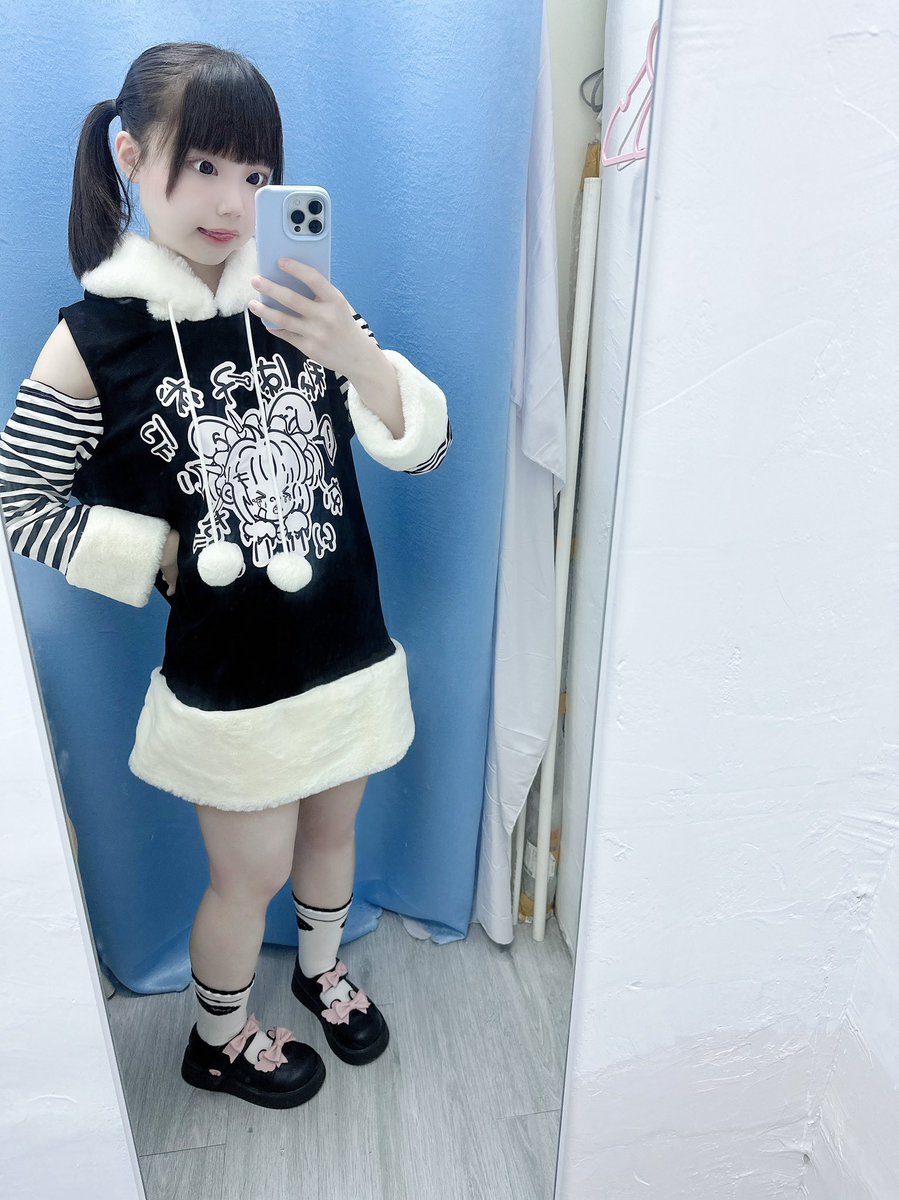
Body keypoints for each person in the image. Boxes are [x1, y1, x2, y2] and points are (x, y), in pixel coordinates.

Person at [0, 41, 452, 1111]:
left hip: (346, 646)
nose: (231, 202)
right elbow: (20, 499)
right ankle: (219, 1037)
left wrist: (355, 353)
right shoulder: (93, 339)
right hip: (231, 682)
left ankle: (322, 971)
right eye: (203, 165)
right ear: (130, 156)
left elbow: (424, 451)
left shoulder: (301, 302)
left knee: (333, 835)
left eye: (254, 174)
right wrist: (151, 553)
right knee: (247, 877)